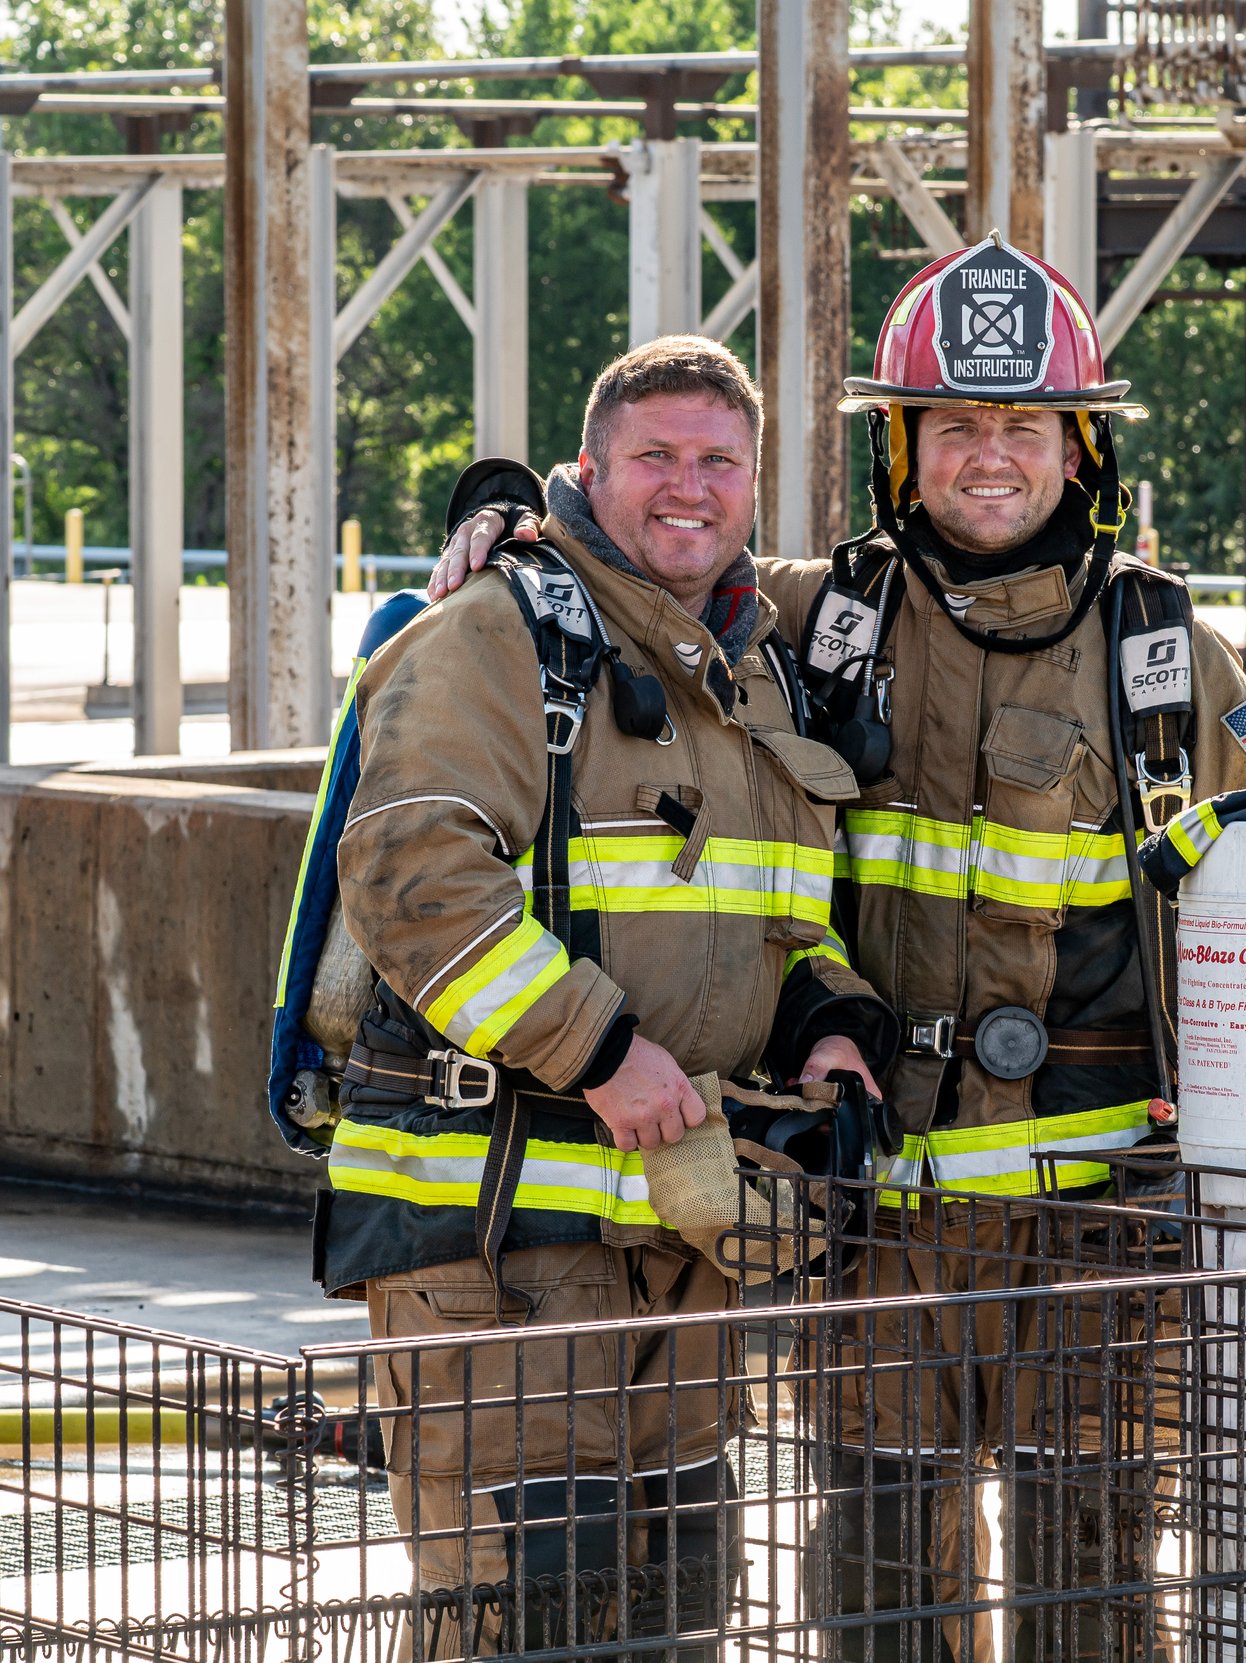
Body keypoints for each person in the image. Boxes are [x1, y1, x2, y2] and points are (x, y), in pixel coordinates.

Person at [433, 234, 1246, 1659]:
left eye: (1022, 422)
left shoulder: (1165, 657)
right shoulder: (812, 622)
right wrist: (514, 519)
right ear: (901, 451)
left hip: (1101, 1230)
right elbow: (651, 555)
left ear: (1077, 450)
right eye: (952, 422)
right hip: (871, 1223)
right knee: (881, 1574)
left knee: (1096, 1576)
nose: (988, 456)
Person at [321, 335, 895, 1657]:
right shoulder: (502, 631)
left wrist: (832, 1032)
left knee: (677, 1619)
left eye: (718, 462)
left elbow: (777, 923)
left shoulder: (745, 672)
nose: (686, 487)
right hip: (503, 1258)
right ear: (591, 470)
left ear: (753, 489)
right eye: (655, 457)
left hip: (682, 1258)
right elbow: (413, 870)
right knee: (526, 1628)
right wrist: (599, 1050)